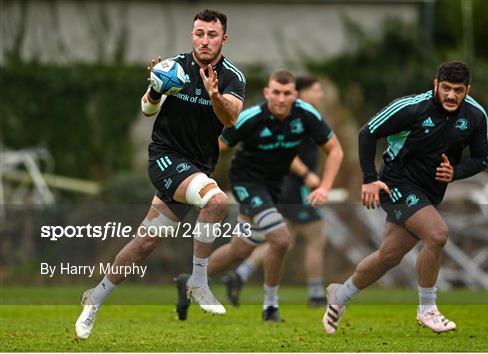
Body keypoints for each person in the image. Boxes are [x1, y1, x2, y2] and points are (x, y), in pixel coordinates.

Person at [75, 9, 245, 339]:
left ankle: (94, 298)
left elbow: (230, 120)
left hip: (196, 167)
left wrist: (213, 95)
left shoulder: (232, 77)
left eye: (212, 34)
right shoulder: (174, 67)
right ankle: (198, 281)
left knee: (145, 242)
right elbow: (147, 109)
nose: (205, 40)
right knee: (216, 201)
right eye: (199, 33)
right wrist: (156, 89)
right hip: (166, 158)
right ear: (192, 35)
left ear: (223, 39)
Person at [322, 61, 488, 334]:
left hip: (429, 193)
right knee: (437, 234)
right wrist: (369, 180)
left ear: (467, 90)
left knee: (389, 256)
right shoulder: (411, 107)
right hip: (396, 184)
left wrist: (455, 172)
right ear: (435, 85)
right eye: (445, 88)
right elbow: (367, 133)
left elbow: (483, 158)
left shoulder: (475, 115)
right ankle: (427, 308)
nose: (451, 95)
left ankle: (339, 296)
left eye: (458, 90)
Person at [175, 69, 343, 322]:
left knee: (240, 249)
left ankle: (190, 282)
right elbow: (215, 147)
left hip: (273, 188)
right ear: (267, 93)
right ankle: (270, 306)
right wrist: (201, 185)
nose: (281, 99)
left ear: (295, 95)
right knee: (281, 238)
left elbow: (335, 150)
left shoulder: (306, 115)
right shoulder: (251, 118)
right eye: (276, 92)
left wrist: (324, 187)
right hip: (247, 184)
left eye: (287, 94)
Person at [221, 76, 329, 307]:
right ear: (299, 93)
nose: (320, 94)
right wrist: (306, 175)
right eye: (316, 89)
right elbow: (286, 151)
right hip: (291, 187)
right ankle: (313, 294)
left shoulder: (307, 115)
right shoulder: (285, 116)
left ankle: (239, 273)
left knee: (265, 241)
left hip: (277, 187)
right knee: (310, 237)